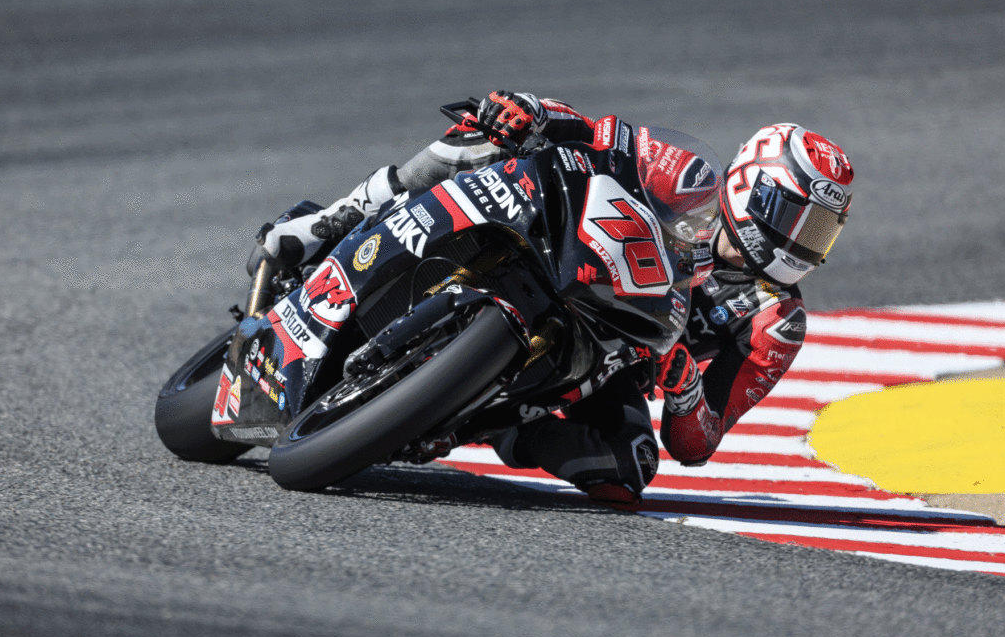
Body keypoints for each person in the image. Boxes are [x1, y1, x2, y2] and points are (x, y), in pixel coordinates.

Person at [248, 91, 854, 503]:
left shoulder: (776, 320)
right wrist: (534, 112)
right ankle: (331, 222)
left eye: (820, 232)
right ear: (752, 184)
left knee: (631, 469)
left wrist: (684, 381)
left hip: (614, 356)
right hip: (570, 256)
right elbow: (600, 135)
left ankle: (488, 424)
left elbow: (697, 443)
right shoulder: (690, 177)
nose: (803, 242)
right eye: (797, 217)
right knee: (480, 139)